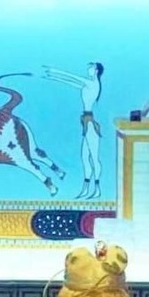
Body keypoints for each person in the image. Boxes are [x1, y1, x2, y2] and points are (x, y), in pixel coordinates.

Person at [42, 62, 105, 199]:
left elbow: (73, 77)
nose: (89, 69)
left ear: (96, 71)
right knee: (85, 158)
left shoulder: (93, 84)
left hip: (90, 124)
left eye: (91, 67)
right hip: (85, 123)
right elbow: (71, 83)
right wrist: (53, 77)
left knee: (94, 158)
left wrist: (54, 71)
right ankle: (86, 188)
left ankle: (97, 189)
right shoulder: (89, 85)